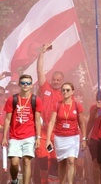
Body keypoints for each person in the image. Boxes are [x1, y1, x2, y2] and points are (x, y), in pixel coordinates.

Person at [1, 74, 43, 184]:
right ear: (20, 84)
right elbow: (7, 119)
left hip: (29, 135)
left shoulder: (36, 100)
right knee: (14, 163)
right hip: (14, 136)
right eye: (23, 83)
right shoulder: (12, 99)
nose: (25, 85)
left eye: (28, 83)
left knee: (26, 161)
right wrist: (4, 137)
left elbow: (38, 120)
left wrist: (38, 137)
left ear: (31, 85)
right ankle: (14, 180)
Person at [45, 82, 87, 184]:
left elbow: (82, 123)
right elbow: (51, 122)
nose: (65, 92)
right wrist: (47, 140)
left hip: (73, 137)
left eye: (68, 90)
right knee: (62, 163)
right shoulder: (57, 105)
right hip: (59, 138)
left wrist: (84, 139)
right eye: (63, 90)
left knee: (71, 161)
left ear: (72, 92)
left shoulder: (77, 105)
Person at [37, 43, 65, 184]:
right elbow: (40, 71)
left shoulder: (65, 94)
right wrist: (41, 53)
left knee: (54, 161)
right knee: (43, 159)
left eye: (58, 80)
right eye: (54, 79)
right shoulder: (45, 87)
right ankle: (43, 181)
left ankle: (54, 182)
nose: (55, 82)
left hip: (57, 133)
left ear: (62, 81)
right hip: (42, 132)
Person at [87, 89, 101, 184]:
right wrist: (86, 136)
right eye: (100, 99)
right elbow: (90, 121)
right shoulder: (94, 107)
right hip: (95, 138)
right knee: (95, 162)